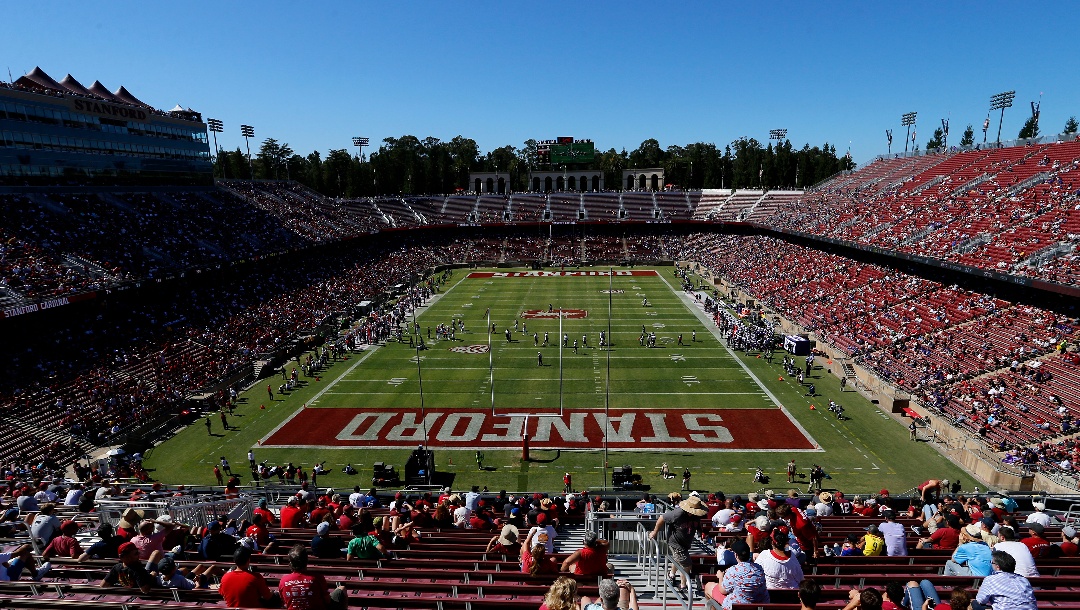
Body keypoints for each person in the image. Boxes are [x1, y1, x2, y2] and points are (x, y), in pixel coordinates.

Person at [649, 495, 706, 591]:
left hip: (686, 542)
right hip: (675, 542)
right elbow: (662, 518)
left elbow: (697, 525)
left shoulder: (696, 516)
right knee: (686, 563)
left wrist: (701, 532)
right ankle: (683, 585)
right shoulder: (677, 514)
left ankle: (671, 575)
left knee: (677, 558)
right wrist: (655, 531)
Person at [704, 539, 768, 610]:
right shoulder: (759, 568)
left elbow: (723, 590)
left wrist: (720, 577)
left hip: (737, 606)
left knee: (708, 586)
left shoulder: (733, 570)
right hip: (758, 605)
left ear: (736, 555)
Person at [279, 544, 348, 610]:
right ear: (306, 560)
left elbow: (284, 601)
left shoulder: (283, 580)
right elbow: (328, 601)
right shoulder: (317, 578)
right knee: (342, 588)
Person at [971, 551, 1037, 610]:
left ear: (997, 566)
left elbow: (981, 601)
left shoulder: (990, 579)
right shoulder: (1023, 579)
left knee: (974, 604)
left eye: (992, 562)